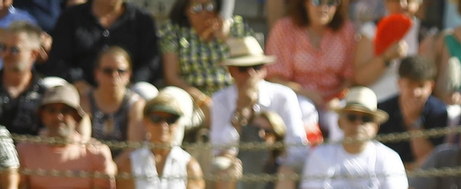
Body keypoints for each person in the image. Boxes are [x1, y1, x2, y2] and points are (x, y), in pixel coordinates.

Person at [266, 0, 360, 141]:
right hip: (297, 96)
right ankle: (304, 153)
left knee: (340, 117)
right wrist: (306, 93)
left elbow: (351, 77)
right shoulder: (284, 28)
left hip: (335, 98)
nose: (324, 7)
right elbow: (273, 77)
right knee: (304, 110)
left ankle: (337, 154)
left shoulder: (346, 30)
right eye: (317, 1)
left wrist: (337, 97)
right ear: (305, 3)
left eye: (331, 2)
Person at [209, 39, 310, 166]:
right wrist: (239, 112)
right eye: (243, 68)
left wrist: (276, 165)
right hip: (238, 167)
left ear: (264, 70)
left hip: (278, 167)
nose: (251, 73)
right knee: (221, 166)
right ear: (231, 71)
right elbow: (218, 150)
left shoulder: (284, 96)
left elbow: (297, 148)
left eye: (257, 67)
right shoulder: (220, 99)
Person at [160, 0, 248, 129]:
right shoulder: (174, 30)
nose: (204, 13)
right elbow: (171, 76)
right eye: (197, 8)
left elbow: (251, 62)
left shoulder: (235, 26)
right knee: (174, 104)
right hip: (192, 97)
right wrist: (202, 100)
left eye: (209, 6)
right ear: (186, 10)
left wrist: (226, 37)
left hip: (230, 93)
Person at [47, 0, 162, 92]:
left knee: (145, 91)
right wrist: (78, 81)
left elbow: (151, 62)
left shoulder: (142, 20)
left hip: (129, 90)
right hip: (78, 88)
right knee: (50, 85)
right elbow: (58, 58)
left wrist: (131, 82)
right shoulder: (71, 17)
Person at [0, 22, 53, 138]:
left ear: (33, 54)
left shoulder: (45, 94)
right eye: (3, 47)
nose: (6, 54)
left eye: (14, 50)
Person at [378, 54, 449, 168]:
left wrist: (414, 122)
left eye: (421, 86)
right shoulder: (383, 110)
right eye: (410, 84)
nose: (416, 92)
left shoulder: (439, 112)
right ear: (399, 83)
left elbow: (431, 161)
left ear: (431, 86)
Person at [356, 0, 426, 105]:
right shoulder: (371, 30)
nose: (402, 4)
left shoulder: (425, 33)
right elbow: (360, 78)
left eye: (408, 0)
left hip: (410, 104)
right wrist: (386, 57)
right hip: (376, 101)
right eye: (396, 0)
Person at [82, 46, 146, 150]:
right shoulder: (85, 100)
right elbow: (82, 143)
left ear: (129, 75)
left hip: (127, 160)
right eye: (108, 71)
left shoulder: (135, 105)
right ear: (97, 74)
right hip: (91, 158)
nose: (114, 75)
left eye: (121, 71)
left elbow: (134, 149)